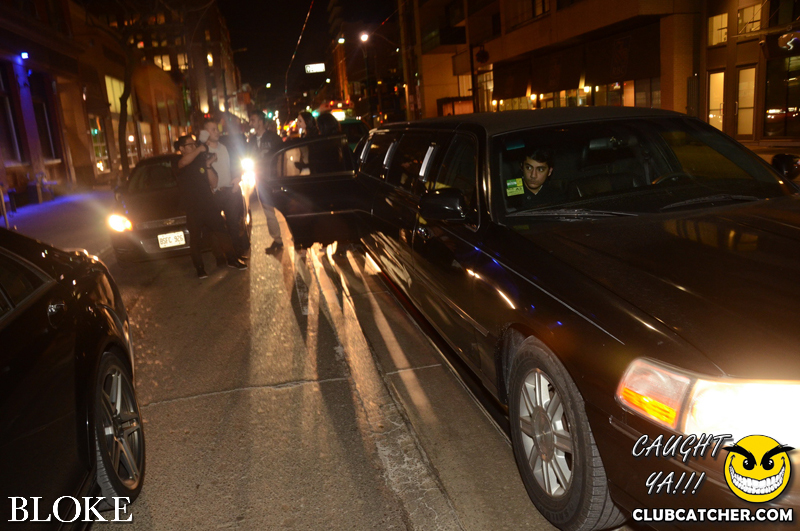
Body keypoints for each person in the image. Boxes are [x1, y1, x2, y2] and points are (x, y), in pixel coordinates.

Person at [174, 135, 246, 277]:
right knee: (195, 238)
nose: (194, 147)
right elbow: (183, 163)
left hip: (209, 204)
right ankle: (200, 268)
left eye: (195, 144)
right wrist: (200, 148)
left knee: (222, 232)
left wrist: (208, 165)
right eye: (190, 145)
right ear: (181, 148)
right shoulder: (177, 161)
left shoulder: (200, 160)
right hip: (193, 207)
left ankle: (232, 259)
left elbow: (213, 183)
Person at [202, 119, 248, 258]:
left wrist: (237, 179)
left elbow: (238, 164)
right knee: (216, 227)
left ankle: (236, 254)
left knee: (234, 224)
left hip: (230, 191)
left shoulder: (226, 147)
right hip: (213, 194)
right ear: (205, 132)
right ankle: (220, 257)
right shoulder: (202, 151)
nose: (217, 132)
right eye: (213, 129)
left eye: (217, 128)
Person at [248, 111, 284, 254]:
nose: (251, 123)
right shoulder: (251, 141)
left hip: (275, 178)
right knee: (268, 211)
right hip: (260, 180)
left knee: (285, 208)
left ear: (260, 121)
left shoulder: (273, 138)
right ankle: (278, 240)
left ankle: (298, 238)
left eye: (253, 119)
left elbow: (282, 156)